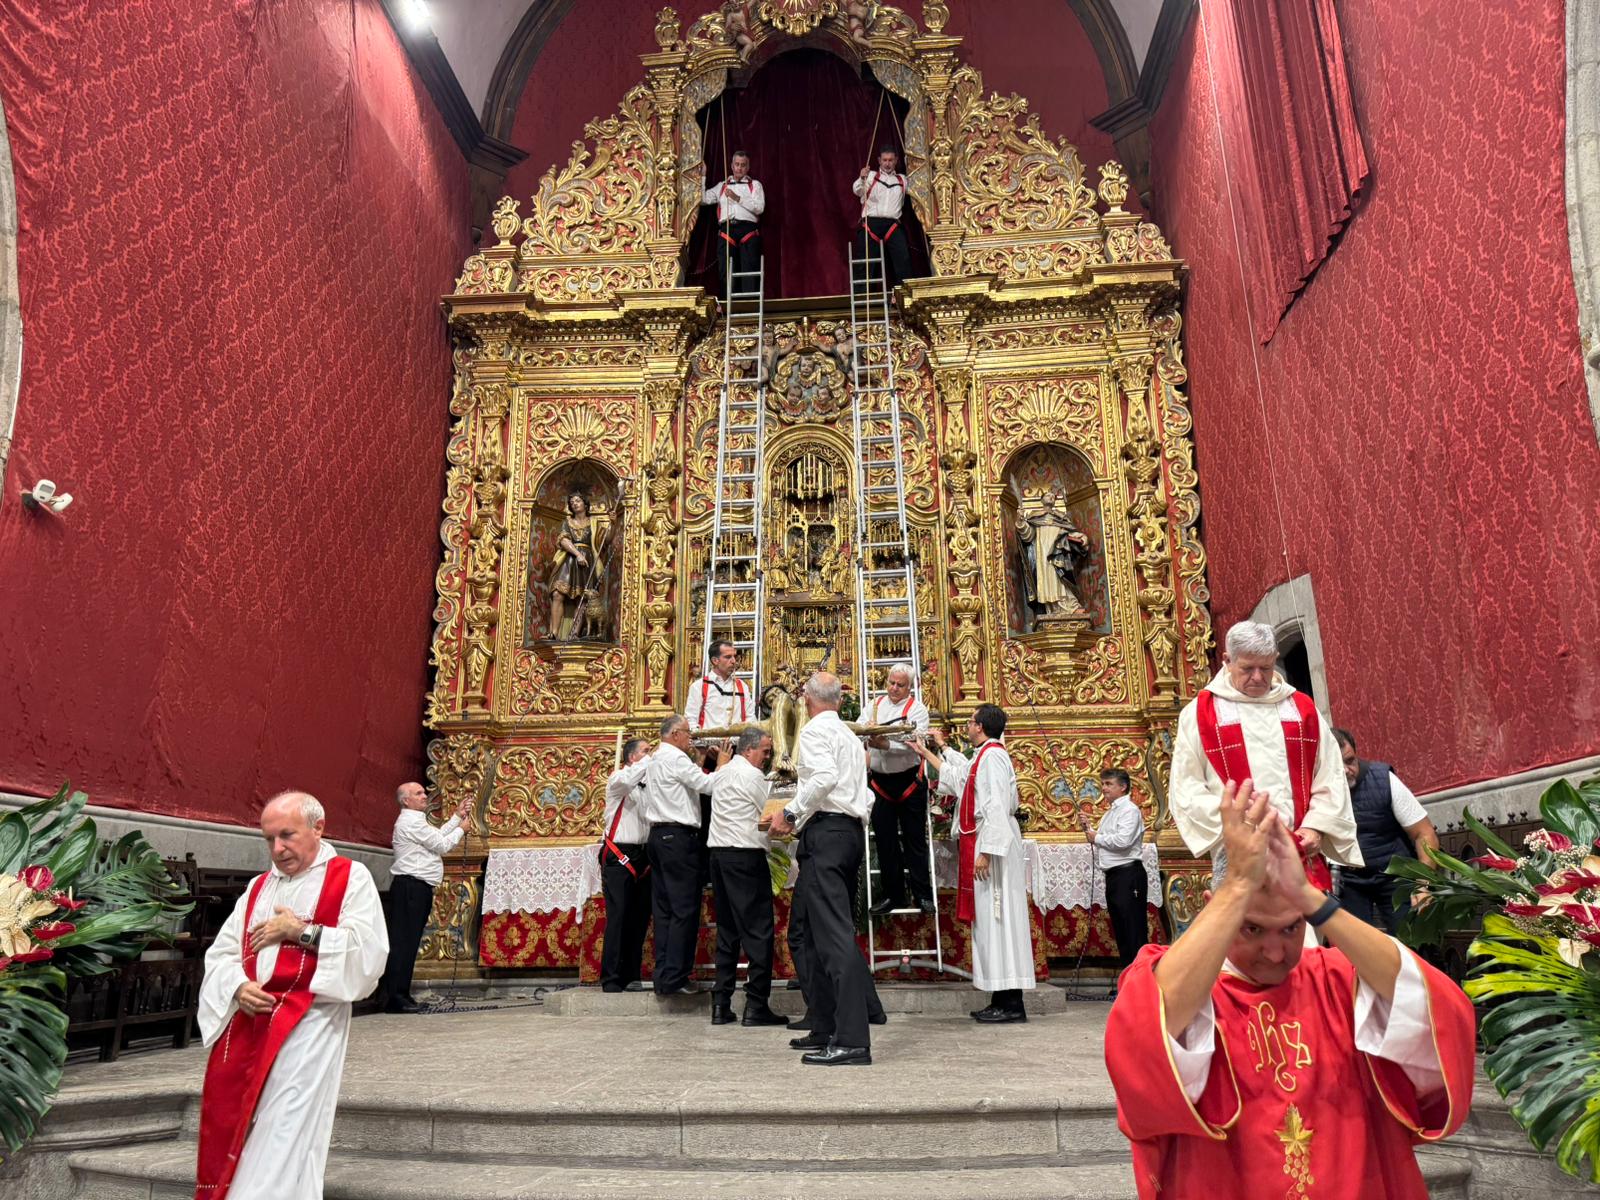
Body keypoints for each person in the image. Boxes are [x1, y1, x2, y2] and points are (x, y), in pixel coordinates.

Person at [1104, 778, 1475, 1199]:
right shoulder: (1184, 985)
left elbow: (1439, 1011)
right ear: (1214, 904)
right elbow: (1146, 1037)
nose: (1277, 953)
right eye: (1252, 928)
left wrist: (1310, 898)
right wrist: (1238, 887)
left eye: (1292, 927)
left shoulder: (1337, 978)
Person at [195, 791, 387, 1200]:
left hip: (310, 1023)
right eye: (269, 839)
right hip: (250, 1024)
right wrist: (237, 987)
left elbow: (370, 954)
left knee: (286, 1125)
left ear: (318, 828)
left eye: (287, 836)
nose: (277, 849)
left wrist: (299, 931)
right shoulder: (259, 887)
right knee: (248, 1124)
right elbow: (224, 952)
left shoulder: (350, 878)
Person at [1170, 620, 1359, 893]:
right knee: (1245, 932)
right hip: (1239, 851)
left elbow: (1329, 774)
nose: (1258, 677)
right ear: (1227, 660)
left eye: (1266, 668)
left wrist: (1316, 827)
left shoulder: (1300, 708)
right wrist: (1238, 824)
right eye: (1247, 668)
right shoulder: (1201, 712)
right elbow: (1186, 786)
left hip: (1298, 850)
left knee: (1303, 931)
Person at [769, 673, 879, 1065]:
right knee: (814, 934)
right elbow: (864, 792)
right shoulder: (850, 736)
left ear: (807, 699)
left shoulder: (815, 732)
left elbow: (824, 779)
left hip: (828, 833)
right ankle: (827, 1024)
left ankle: (851, 1039)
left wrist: (790, 812)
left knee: (832, 937)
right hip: (847, 833)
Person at [911, 705, 1035, 1023]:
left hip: (994, 845)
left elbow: (995, 802)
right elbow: (960, 778)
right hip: (987, 840)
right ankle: (1001, 998)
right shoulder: (986, 755)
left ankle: (1011, 1003)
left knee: (999, 920)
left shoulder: (993, 757)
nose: (966, 726)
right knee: (992, 923)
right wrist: (930, 750)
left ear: (979, 726)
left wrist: (987, 851)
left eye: (969, 722)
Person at [707, 726, 787, 1027]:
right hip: (744, 855)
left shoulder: (723, 773)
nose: (767, 757)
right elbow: (768, 816)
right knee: (758, 930)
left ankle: (721, 1003)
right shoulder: (753, 777)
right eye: (765, 751)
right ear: (749, 749)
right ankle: (755, 1005)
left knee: (727, 929)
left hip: (718, 855)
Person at [643, 715, 729, 995]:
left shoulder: (656, 758)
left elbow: (684, 783)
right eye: (688, 734)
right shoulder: (676, 759)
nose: (690, 738)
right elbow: (708, 786)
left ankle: (664, 976)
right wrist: (723, 766)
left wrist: (700, 760)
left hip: (657, 837)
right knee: (684, 910)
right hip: (679, 839)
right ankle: (678, 977)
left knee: (665, 909)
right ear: (675, 734)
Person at [1335, 729, 1442, 934]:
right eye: (1336, 766)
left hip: (1394, 873)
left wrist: (1423, 884)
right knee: (1355, 949)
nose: (1346, 770)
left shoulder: (1383, 779)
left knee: (1410, 941)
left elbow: (1424, 833)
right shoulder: (1315, 789)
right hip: (1348, 880)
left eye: (1350, 761)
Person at [380, 782, 470, 1013]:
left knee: (409, 943)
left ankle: (402, 993)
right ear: (405, 801)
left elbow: (436, 836)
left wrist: (455, 817)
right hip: (410, 886)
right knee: (404, 944)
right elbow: (441, 845)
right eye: (418, 793)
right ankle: (395, 998)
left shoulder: (416, 821)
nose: (424, 795)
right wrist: (462, 828)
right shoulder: (410, 822)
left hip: (415, 887)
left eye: (423, 792)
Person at [865, 662, 934, 917]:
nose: (894, 688)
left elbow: (915, 743)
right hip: (880, 783)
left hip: (908, 782)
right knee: (885, 842)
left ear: (910, 687)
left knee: (915, 840)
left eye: (900, 685)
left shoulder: (918, 710)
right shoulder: (874, 706)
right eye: (891, 683)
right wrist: (868, 738)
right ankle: (894, 895)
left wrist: (885, 744)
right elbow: (862, 732)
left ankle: (923, 895)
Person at [1079, 768, 1147, 981]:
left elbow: (1123, 841)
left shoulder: (1129, 810)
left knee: (1133, 931)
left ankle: (1139, 983)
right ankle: (1129, 982)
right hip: (1116, 877)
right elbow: (1107, 838)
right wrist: (1089, 829)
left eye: (1109, 784)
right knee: (1123, 932)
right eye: (1104, 783)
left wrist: (1096, 836)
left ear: (1122, 786)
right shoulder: (1112, 812)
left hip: (1128, 875)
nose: (1104, 788)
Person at [599, 737, 654, 992]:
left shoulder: (646, 784)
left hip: (642, 854)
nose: (649, 754)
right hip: (619, 854)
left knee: (639, 918)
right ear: (632, 757)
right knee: (618, 916)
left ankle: (632, 974)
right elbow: (630, 779)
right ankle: (611, 977)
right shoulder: (618, 780)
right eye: (645, 751)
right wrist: (656, 758)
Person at [702, 150, 765, 301]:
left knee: (749, 269)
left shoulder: (754, 185)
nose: (739, 168)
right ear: (731, 166)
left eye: (743, 165)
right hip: (727, 230)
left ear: (747, 167)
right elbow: (702, 199)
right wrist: (703, 176)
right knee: (726, 271)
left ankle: (749, 305)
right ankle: (729, 304)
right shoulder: (722, 186)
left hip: (747, 230)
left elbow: (759, 207)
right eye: (737, 164)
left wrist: (738, 198)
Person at [852, 147, 913, 291]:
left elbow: (917, 189)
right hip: (871, 223)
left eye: (891, 160)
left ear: (896, 161)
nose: (887, 163)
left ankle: (904, 296)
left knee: (903, 259)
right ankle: (863, 297)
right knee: (865, 264)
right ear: (879, 161)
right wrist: (862, 178)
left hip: (892, 225)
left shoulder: (903, 180)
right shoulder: (871, 176)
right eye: (884, 160)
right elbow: (857, 190)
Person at [685, 638, 751, 732]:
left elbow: (750, 718)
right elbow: (690, 720)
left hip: (738, 744)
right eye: (728, 657)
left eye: (734, 656)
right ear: (715, 661)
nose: (733, 661)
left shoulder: (742, 686)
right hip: (708, 744)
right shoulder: (699, 687)